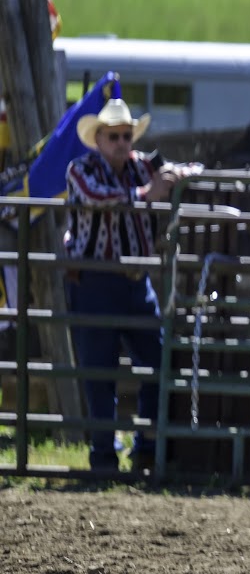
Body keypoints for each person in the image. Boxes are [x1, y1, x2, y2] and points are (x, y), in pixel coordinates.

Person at [65, 94, 180, 476]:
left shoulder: (141, 167)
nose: (121, 143)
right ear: (98, 139)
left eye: (126, 136)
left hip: (136, 282)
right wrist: (150, 192)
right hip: (96, 281)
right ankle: (103, 456)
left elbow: (183, 171)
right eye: (113, 136)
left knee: (158, 363)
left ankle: (145, 447)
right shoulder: (80, 170)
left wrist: (177, 177)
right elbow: (96, 198)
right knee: (100, 372)